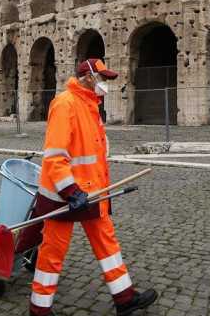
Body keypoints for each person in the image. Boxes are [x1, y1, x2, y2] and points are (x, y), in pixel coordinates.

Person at [26, 58, 158, 316]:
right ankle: (39, 309)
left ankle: (124, 297)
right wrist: (71, 191)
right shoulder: (65, 104)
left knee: (108, 244)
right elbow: (54, 156)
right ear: (88, 77)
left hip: (93, 191)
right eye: (103, 78)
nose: (106, 84)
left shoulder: (90, 105)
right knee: (53, 252)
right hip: (64, 195)